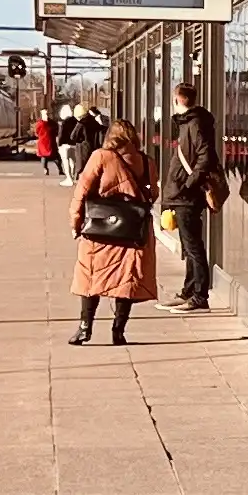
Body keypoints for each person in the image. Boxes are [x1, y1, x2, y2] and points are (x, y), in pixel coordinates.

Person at [70, 116, 160, 345]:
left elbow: (82, 191)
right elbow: (152, 192)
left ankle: (84, 328)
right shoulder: (146, 161)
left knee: (90, 277)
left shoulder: (101, 156)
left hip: (100, 229)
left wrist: (76, 223)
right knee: (126, 281)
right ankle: (118, 331)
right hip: (133, 230)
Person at [160, 80, 225, 310]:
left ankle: (199, 295)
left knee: (193, 246)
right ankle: (189, 291)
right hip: (182, 193)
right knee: (189, 247)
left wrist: (188, 184)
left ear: (178, 100)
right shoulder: (189, 122)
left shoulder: (195, 123)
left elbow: (205, 157)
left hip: (187, 194)